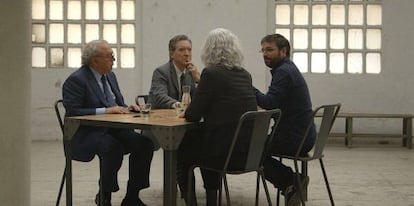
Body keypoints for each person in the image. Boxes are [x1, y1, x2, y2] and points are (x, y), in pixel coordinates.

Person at [62, 40, 154, 206]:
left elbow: (117, 103)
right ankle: (105, 195)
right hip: (87, 133)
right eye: (110, 56)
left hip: (113, 128)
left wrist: (129, 108)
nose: (114, 60)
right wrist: (105, 111)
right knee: (112, 148)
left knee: (145, 143)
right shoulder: (76, 80)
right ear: (95, 60)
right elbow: (73, 111)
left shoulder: (110, 76)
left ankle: (132, 196)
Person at [177, 28, 257, 206]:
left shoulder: (211, 73)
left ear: (209, 50)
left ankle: (191, 202)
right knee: (209, 142)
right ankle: (212, 200)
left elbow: (193, 115)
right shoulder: (245, 74)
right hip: (248, 152)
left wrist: (188, 110)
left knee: (182, 148)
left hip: (223, 155)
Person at [254, 34, 316, 206]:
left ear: (284, 51)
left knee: (250, 150)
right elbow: (279, 106)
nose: (265, 54)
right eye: (263, 50)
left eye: (270, 50)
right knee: (255, 148)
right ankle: (292, 182)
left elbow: (269, 102)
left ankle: (291, 182)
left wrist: (247, 86)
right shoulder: (287, 69)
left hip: (294, 138)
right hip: (305, 136)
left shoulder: (283, 72)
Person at [148, 34, 201, 109]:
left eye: (189, 50)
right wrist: (179, 105)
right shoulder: (161, 72)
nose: (187, 54)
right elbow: (160, 96)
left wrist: (198, 80)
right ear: (172, 54)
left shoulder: (191, 73)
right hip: (161, 117)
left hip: (182, 117)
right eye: (182, 50)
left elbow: (199, 99)